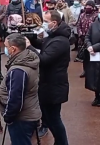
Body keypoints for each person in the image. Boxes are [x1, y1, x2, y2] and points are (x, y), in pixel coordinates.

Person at [30, 10, 70, 145]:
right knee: (48, 116)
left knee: (54, 119)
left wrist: (29, 47)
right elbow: (42, 43)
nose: (44, 24)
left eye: (46, 22)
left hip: (54, 86)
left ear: (54, 23)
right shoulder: (53, 36)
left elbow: (44, 59)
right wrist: (30, 37)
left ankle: (62, 142)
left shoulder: (60, 41)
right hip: (48, 84)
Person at [0, 33, 41, 145]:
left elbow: (16, 99)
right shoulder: (28, 57)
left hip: (22, 118)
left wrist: (8, 117)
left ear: (13, 49)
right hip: (30, 111)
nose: (5, 49)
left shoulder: (18, 70)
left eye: (6, 47)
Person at [76, 0, 98, 68]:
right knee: (84, 56)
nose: (88, 7)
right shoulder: (82, 15)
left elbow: (96, 27)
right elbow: (78, 25)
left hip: (91, 40)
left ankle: (92, 70)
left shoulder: (96, 16)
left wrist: (88, 36)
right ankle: (85, 70)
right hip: (82, 39)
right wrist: (80, 34)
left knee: (91, 56)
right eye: (87, 5)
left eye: (90, 6)